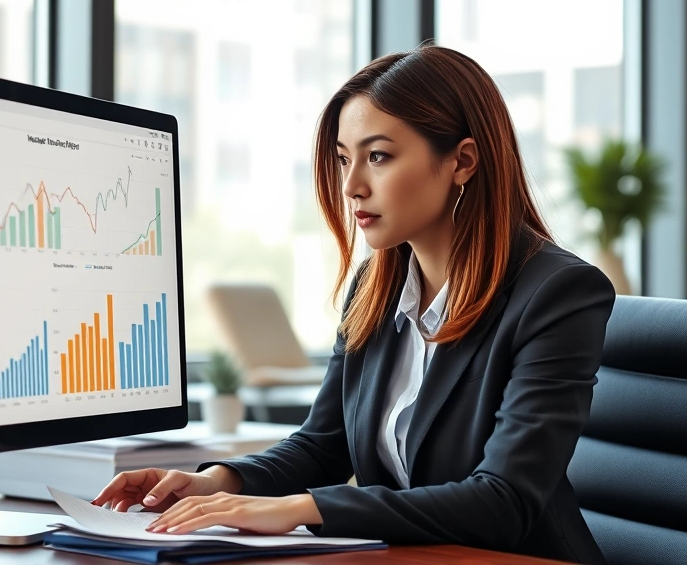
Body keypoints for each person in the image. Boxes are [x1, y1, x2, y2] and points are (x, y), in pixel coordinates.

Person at [93, 44, 615, 565]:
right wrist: (213, 482)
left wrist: (302, 509)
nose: (351, 186)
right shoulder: (376, 286)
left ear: (462, 161)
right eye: (344, 158)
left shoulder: (557, 294)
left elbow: (505, 501)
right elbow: (324, 446)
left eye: (378, 156)